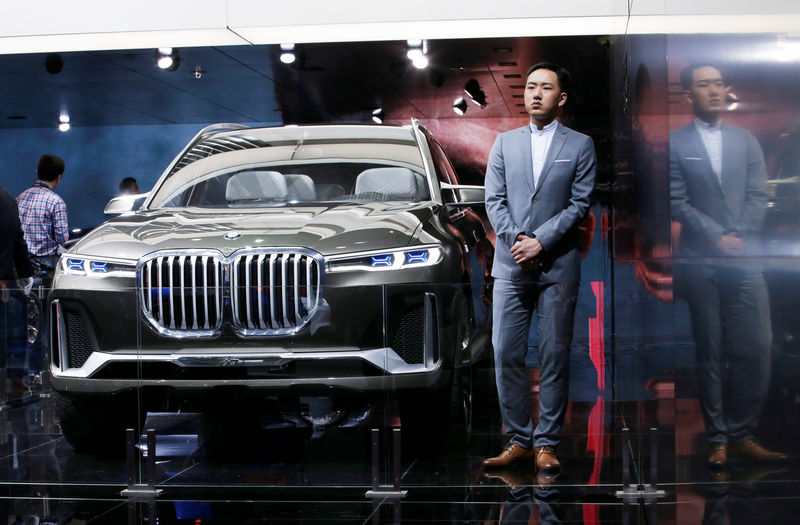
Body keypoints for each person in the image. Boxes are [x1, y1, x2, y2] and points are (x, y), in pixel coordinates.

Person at [670, 63, 786, 467]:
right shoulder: (676, 141)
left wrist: (737, 234)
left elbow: (759, 193)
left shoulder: (745, 139)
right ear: (690, 95)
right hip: (701, 260)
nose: (714, 90)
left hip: (744, 257)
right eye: (704, 84)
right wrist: (716, 235)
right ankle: (718, 438)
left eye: (719, 83)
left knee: (757, 345)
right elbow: (676, 199)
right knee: (710, 352)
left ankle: (743, 433)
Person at [483, 62, 596, 471]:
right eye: (530, 86)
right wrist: (517, 241)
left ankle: (546, 442)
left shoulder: (580, 144)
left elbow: (579, 204)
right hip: (511, 265)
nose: (535, 93)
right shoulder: (503, 142)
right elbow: (493, 200)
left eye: (545, 88)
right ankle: (518, 439)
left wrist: (541, 241)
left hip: (557, 266)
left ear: (560, 98)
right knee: (505, 354)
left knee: (554, 354)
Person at [17, 154, 68, 283]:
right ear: (59, 178)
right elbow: (62, 237)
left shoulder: (20, 198)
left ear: (37, 172)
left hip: (21, 262)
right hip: (46, 264)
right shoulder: (56, 202)